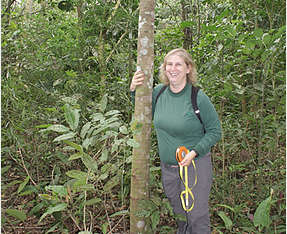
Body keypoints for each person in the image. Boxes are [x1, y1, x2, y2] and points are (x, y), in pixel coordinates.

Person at [130, 48, 221, 234]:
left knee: (196, 217)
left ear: (188, 68)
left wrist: (194, 152)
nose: (173, 68)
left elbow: (215, 131)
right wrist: (133, 90)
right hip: (169, 169)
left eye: (178, 64)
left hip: (195, 166)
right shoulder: (158, 92)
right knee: (180, 214)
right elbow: (142, 111)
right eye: (169, 64)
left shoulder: (198, 97)